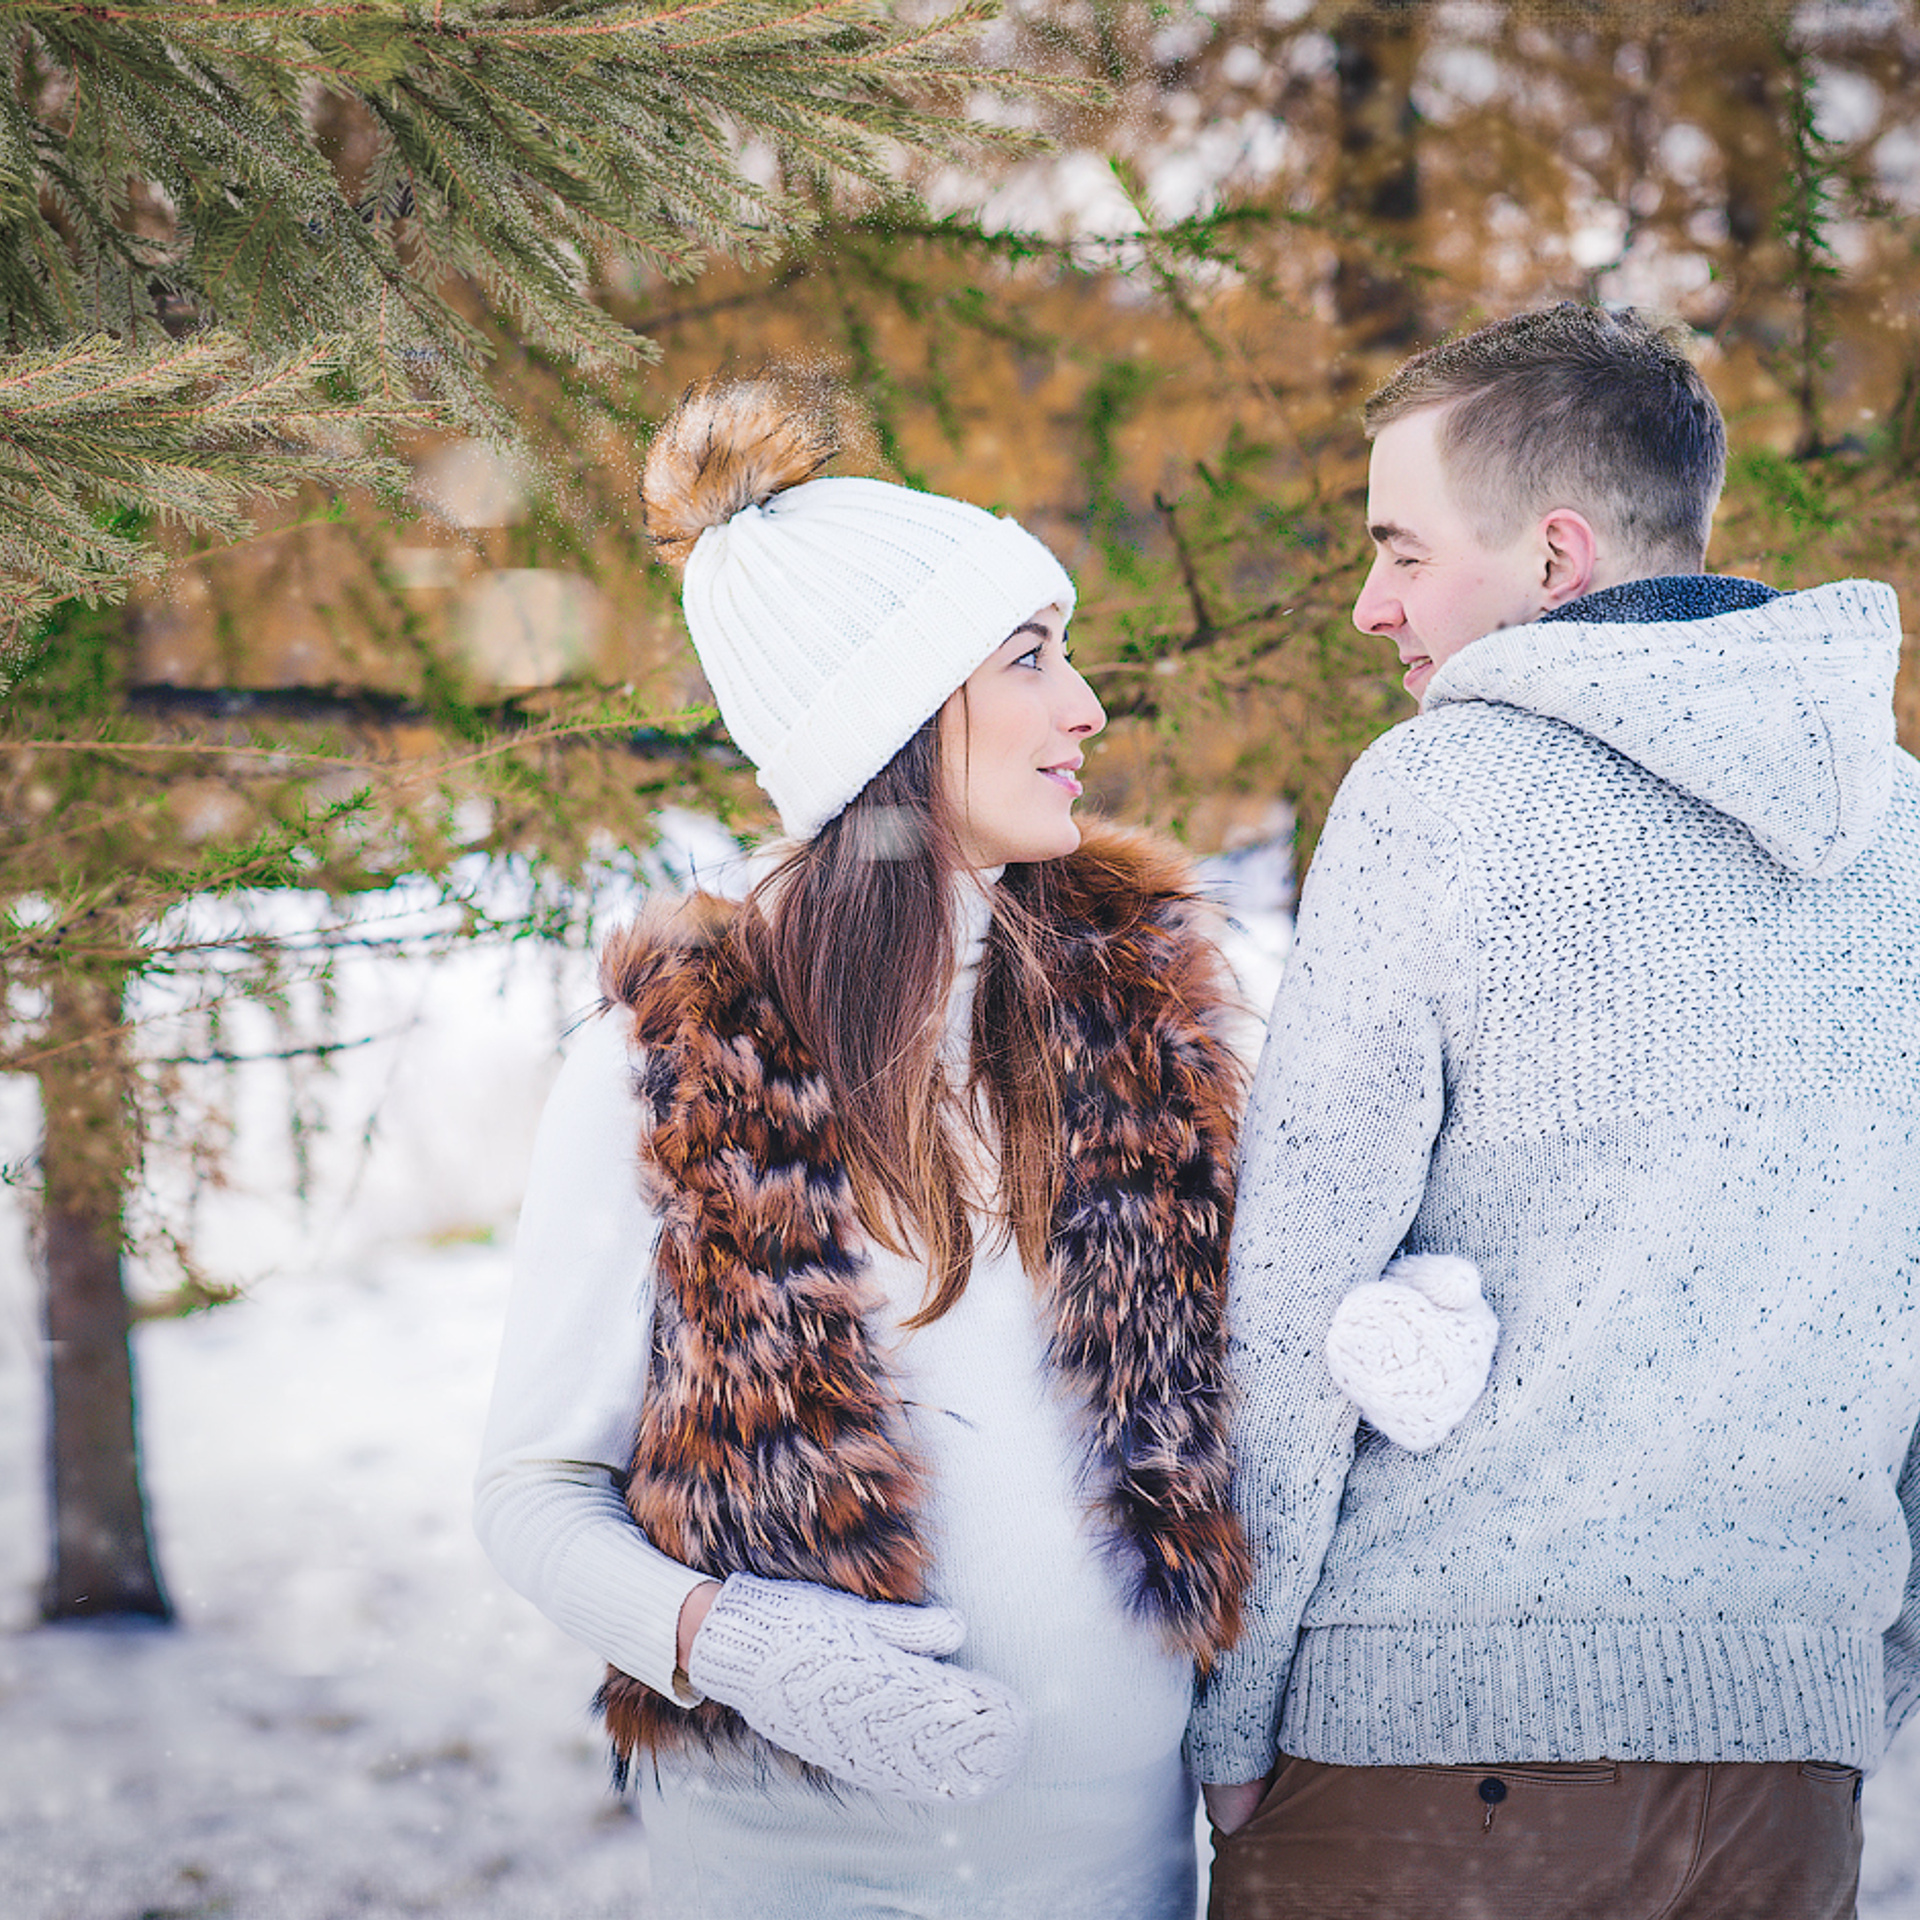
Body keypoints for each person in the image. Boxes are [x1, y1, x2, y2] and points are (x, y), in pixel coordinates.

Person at [472, 372, 1257, 1920]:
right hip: (800, 1873)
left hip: (1126, 1870)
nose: (1086, 705)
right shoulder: (668, 1074)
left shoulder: (1148, 1031)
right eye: (1031, 657)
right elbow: (528, 1495)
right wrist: (726, 1640)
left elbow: (1264, 1379)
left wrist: (1396, 1297)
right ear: (895, 721)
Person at [1190, 302, 1920, 1920]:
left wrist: (1231, 1716)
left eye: (1399, 548)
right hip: (1784, 1776)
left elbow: (1300, 1287)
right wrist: (1842, 1678)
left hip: (1432, 1761)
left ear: (1556, 559)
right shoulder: (1906, 835)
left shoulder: (1439, 795)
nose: (1371, 606)